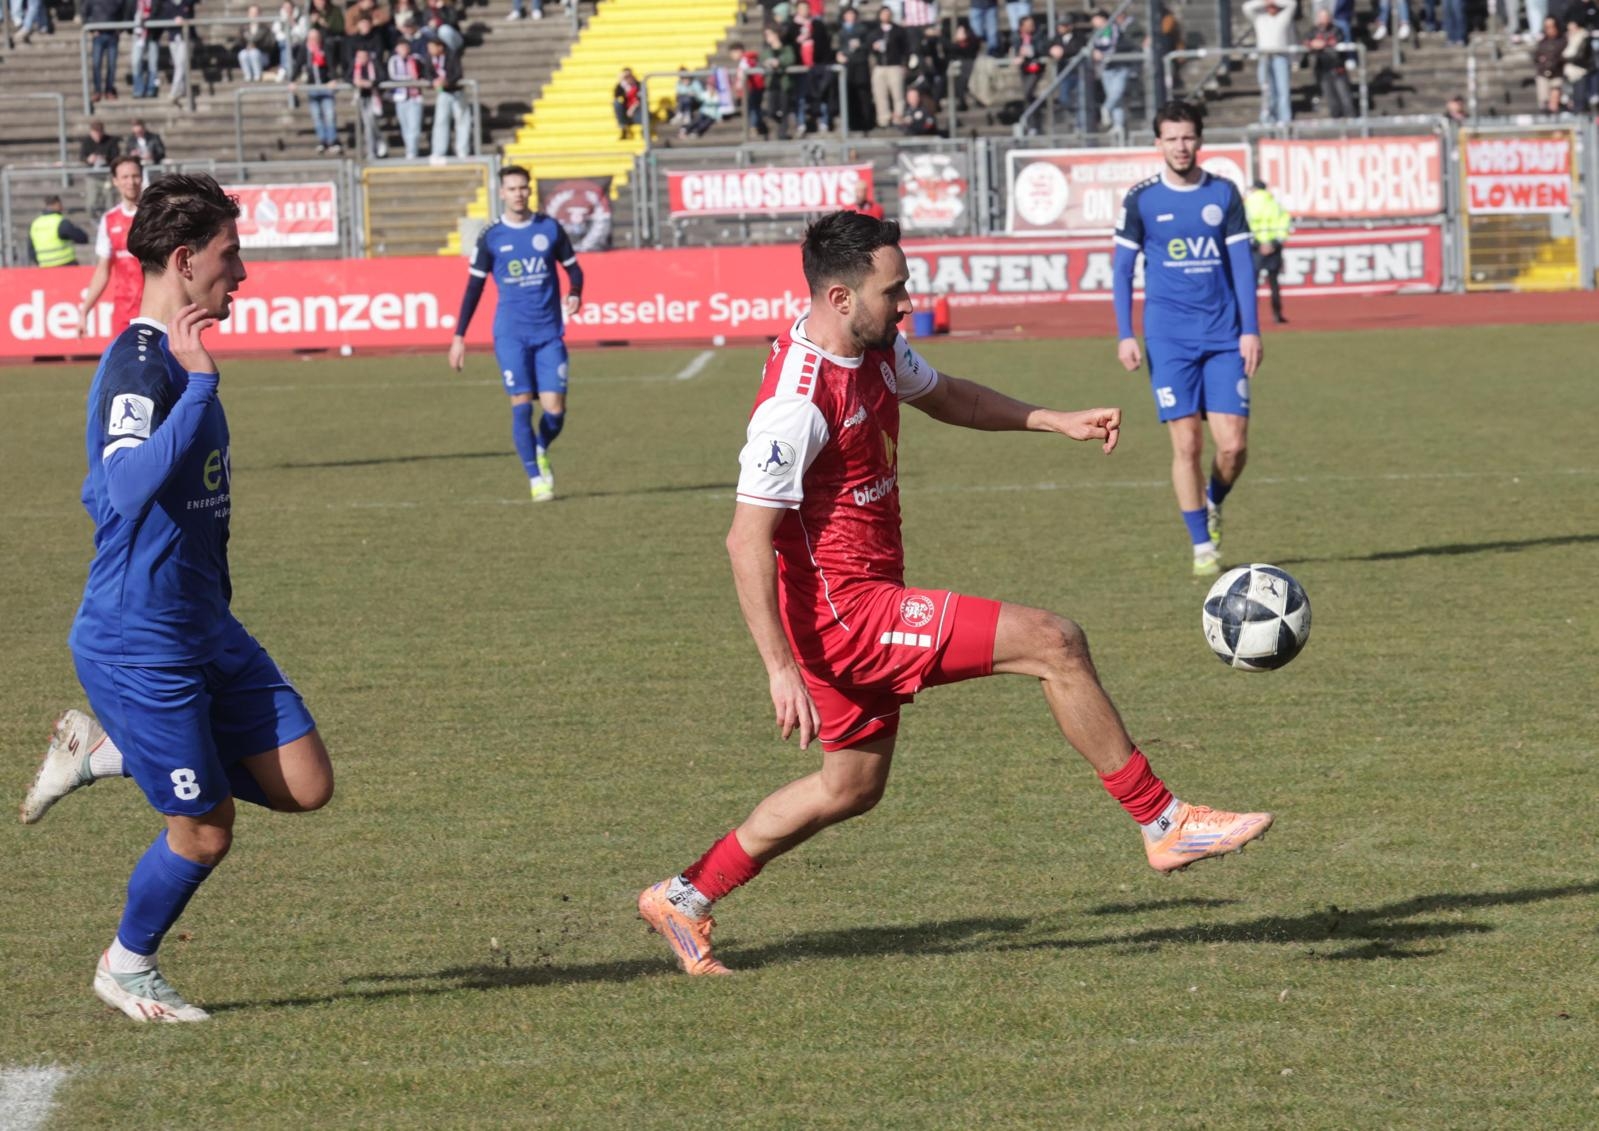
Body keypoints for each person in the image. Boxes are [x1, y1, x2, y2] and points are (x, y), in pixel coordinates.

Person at [635, 210, 1273, 977]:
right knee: (1053, 641)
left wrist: (1053, 420)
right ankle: (1163, 820)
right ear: (841, 298)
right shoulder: (794, 403)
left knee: (850, 786)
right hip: (849, 617)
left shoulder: (872, 348)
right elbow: (745, 540)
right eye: (893, 289)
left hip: (858, 603)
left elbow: (948, 398)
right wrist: (778, 668)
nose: (907, 302)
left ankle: (685, 895)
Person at [20, 172, 334, 1023]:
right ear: (186, 260)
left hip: (204, 623)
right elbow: (122, 483)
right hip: (139, 636)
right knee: (205, 826)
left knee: (306, 783)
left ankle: (103, 751)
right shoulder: (143, 362)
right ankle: (127, 964)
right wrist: (199, 387)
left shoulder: (175, 359)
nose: (244, 273)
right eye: (231, 257)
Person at [1112, 101, 1262, 578]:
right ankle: (1202, 546)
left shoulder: (1224, 193)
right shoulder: (1142, 200)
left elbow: (1242, 266)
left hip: (1222, 336)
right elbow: (1121, 270)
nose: (1181, 146)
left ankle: (1212, 501)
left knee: (1233, 446)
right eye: (1171, 138)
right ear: (1158, 143)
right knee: (1187, 443)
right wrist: (1125, 333)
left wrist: (1251, 329)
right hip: (1168, 338)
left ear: (1200, 141)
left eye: (1188, 137)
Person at [448, 165, 584, 502]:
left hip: (549, 333)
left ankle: (540, 446)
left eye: (523, 188)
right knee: (521, 405)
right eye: (512, 189)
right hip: (511, 335)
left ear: (530, 191)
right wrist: (459, 336)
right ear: (502, 193)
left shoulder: (549, 228)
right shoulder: (491, 236)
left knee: (555, 410)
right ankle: (536, 477)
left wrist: (576, 290)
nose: (518, 194)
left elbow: (573, 268)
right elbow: (473, 288)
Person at [79, 156, 146, 339]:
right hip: (124, 313)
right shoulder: (109, 220)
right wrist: (85, 309)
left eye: (135, 176)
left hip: (156, 311)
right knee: (122, 367)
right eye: (125, 177)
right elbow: (103, 270)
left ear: (142, 178)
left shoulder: (155, 216)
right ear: (115, 181)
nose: (131, 182)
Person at [1245, 179, 1292, 325]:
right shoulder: (1275, 204)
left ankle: (1249, 317)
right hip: (1274, 247)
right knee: (1274, 284)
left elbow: (1244, 225)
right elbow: (1285, 223)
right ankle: (1277, 315)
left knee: (1252, 285)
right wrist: (1274, 243)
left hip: (1255, 247)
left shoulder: (1247, 203)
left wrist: (1257, 244)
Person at [1243, 0, 1296, 125]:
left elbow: (1292, 4)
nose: (1271, 8)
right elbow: (1246, 7)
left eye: (1274, 6)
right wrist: (1263, 2)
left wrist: (1275, 1)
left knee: (1283, 90)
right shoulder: (1259, 18)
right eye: (1269, 6)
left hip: (1280, 57)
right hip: (1264, 57)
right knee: (1267, 90)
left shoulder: (1283, 17)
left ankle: (1284, 119)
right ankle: (1269, 118)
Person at [1304, 8, 1356, 118]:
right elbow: (1306, 42)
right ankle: (1336, 121)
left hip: (1338, 68)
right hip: (1323, 70)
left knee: (1345, 97)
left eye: (1325, 17)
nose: (1323, 20)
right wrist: (1313, 44)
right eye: (1321, 17)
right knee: (1331, 99)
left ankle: (1352, 121)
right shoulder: (1313, 30)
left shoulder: (1337, 29)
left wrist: (1323, 43)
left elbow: (1336, 40)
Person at [427, 37, 471, 157]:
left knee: (462, 120)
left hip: (456, 91)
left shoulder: (452, 56)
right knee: (441, 121)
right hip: (443, 93)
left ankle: (462, 149)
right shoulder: (430, 58)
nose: (430, 50)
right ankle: (439, 150)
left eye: (432, 47)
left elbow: (458, 73)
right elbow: (428, 73)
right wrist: (433, 81)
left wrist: (448, 81)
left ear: (440, 47)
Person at [870, 4, 911, 129]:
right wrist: (874, 48)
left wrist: (904, 64)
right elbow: (868, 47)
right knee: (880, 95)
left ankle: (899, 117)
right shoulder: (875, 32)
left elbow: (906, 49)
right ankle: (884, 118)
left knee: (898, 94)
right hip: (880, 66)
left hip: (895, 66)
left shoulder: (898, 31)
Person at [28, 195, 92, 267]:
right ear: (57, 204)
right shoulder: (60, 222)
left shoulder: (35, 224)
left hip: (44, 268)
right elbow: (82, 238)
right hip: (66, 266)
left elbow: (31, 250)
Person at [389, 36, 426, 156]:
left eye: (405, 47)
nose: (404, 49)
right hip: (400, 97)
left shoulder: (415, 59)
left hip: (415, 96)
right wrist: (409, 80)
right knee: (405, 126)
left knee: (414, 126)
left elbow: (421, 73)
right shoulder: (393, 60)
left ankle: (412, 151)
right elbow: (393, 76)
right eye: (401, 47)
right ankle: (410, 149)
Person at [85, 0, 124, 101]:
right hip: (98, 35)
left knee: (112, 65)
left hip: (112, 35)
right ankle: (97, 91)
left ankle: (109, 90)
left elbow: (123, 11)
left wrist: (120, 29)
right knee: (96, 64)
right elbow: (85, 11)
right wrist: (91, 30)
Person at [1533, 15, 1565, 112]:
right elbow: (1536, 57)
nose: (1549, 30)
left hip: (1558, 73)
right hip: (1543, 73)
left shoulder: (1563, 41)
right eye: (1547, 27)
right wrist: (1541, 60)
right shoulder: (1542, 42)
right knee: (1544, 102)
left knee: (1555, 97)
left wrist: (1554, 61)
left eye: (1552, 26)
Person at [613, 65, 644, 140]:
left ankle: (644, 131)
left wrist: (632, 108)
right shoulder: (621, 87)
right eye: (626, 76)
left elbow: (641, 99)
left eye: (629, 75)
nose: (628, 78)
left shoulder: (639, 85)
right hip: (625, 113)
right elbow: (616, 96)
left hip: (637, 111)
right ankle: (624, 128)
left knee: (644, 109)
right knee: (617, 103)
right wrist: (621, 82)